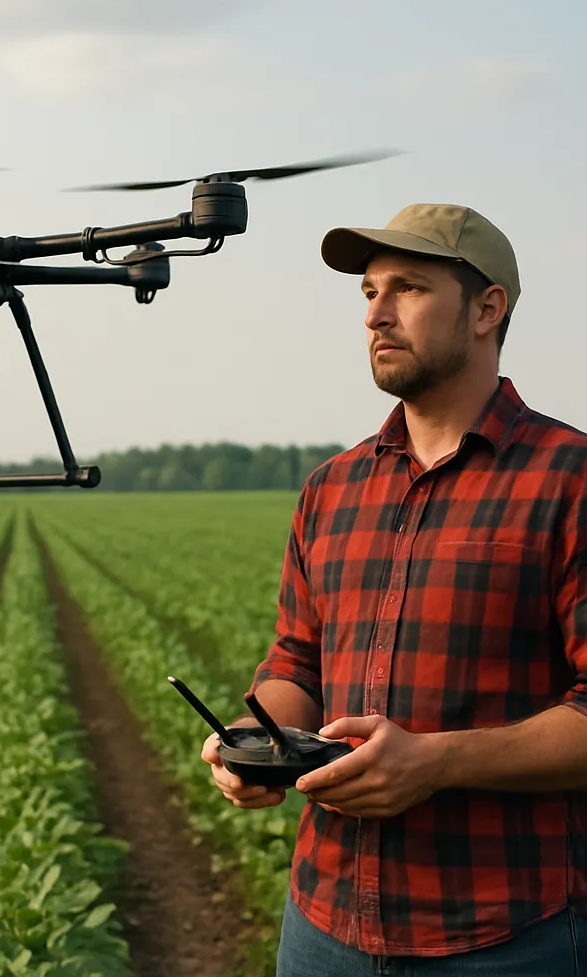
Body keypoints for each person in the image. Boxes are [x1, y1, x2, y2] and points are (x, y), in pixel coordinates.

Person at [201, 203, 587, 975]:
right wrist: (257, 744)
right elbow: (294, 663)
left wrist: (436, 762)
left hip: (509, 933)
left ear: (487, 309)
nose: (376, 313)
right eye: (369, 292)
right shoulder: (331, 488)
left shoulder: (569, 478)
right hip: (323, 924)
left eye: (407, 288)